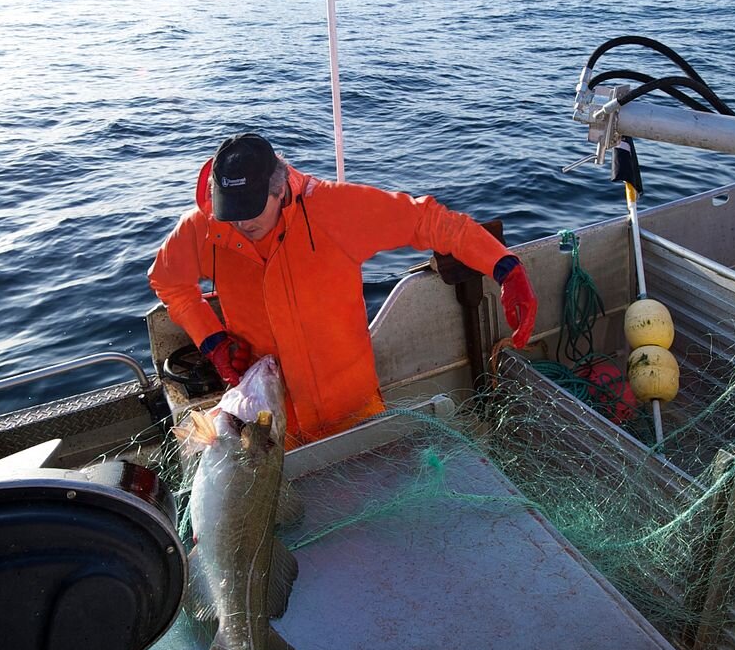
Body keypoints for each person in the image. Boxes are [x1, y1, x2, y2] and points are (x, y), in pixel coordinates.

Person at [150, 133, 539, 447]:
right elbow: (169, 281)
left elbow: (431, 222)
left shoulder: (333, 209)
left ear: (280, 188)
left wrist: (505, 267)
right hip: (267, 422)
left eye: (251, 211)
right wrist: (214, 342)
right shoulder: (203, 227)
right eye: (229, 213)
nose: (238, 225)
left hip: (354, 410)